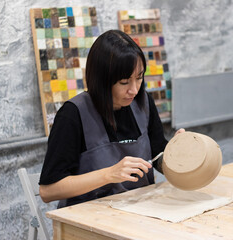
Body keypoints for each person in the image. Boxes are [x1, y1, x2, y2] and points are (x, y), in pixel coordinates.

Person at [39, 29, 184, 208]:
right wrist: (108, 174)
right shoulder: (73, 115)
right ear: (102, 80)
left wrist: (178, 155)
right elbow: (48, 191)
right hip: (89, 218)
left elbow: (157, 156)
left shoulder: (143, 102)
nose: (134, 89)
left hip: (140, 210)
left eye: (139, 78)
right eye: (124, 82)